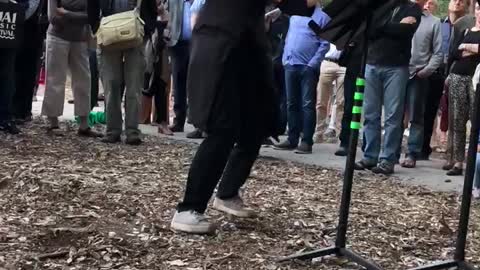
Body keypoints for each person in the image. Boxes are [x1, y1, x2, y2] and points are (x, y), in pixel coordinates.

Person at [170, 0, 315, 234]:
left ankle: (227, 192)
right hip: (222, 43)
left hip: (247, 46)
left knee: (255, 124)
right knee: (223, 127)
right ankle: (188, 209)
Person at [355, 0, 422, 175]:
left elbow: (406, 31)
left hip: (397, 67)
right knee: (370, 114)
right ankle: (369, 156)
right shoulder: (378, 5)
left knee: (393, 116)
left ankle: (388, 160)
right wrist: (394, 26)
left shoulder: (413, 8)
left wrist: (383, 26)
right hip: (372, 63)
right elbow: (369, 29)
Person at [87, 0, 157, 145]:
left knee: (134, 86)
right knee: (111, 84)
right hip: (108, 33)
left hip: (136, 34)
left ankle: (132, 131)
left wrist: (147, 29)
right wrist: (96, 28)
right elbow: (92, 5)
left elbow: (151, 8)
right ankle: (113, 130)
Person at [41, 0, 102, 137]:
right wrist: (80, 17)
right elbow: (54, 17)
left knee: (83, 81)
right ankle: (53, 122)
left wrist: (67, 13)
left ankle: (84, 124)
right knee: (55, 80)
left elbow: (92, 17)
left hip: (80, 39)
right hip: (57, 36)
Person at [274, 4, 330, 154]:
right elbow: (289, 36)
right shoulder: (295, 15)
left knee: (307, 104)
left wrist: (312, 64)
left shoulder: (323, 17)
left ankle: (306, 141)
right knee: (291, 103)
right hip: (291, 64)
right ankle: (292, 139)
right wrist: (286, 58)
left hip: (308, 67)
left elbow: (324, 43)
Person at [421, 0, 472, 160]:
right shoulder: (439, 23)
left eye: (461, 1)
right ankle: (423, 148)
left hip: (457, 71)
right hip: (436, 70)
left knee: (455, 114)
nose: (457, 2)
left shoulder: (469, 26)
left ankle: (453, 154)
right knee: (428, 110)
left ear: (466, 5)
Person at [399, 0, 443, 168]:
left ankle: (412, 153)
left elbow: (438, 53)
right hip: (397, 70)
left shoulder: (434, 22)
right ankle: (392, 152)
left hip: (418, 74)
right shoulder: (400, 13)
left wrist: (425, 71)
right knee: (394, 115)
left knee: (417, 116)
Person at [443, 3, 480, 176]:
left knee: (476, 120)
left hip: (476, 81)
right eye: (478, 8)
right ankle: (458, 161)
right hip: (458, 76)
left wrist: (466, 47)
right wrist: (469, 48)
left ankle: (475, 160)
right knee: (457, 121)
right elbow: (453, 53)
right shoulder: (465, 29)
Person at [12, 0, 45, 125]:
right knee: (17, 70)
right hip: (15, 25)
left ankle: (22, 111)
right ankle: (17, 110)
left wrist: (17, 15)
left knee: (26, 71)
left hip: (30, 29)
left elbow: (33, 6)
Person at [0, 0, 29, 134]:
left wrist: (13, 6)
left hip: (9, 32)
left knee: (7, 77)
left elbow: (26, 5)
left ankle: (5, 118)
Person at [315, 43, 345, 143]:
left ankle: (338, 134)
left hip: (344, 64)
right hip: (327, 62)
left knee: (341, 102)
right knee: (321, 101)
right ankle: (319, 132)